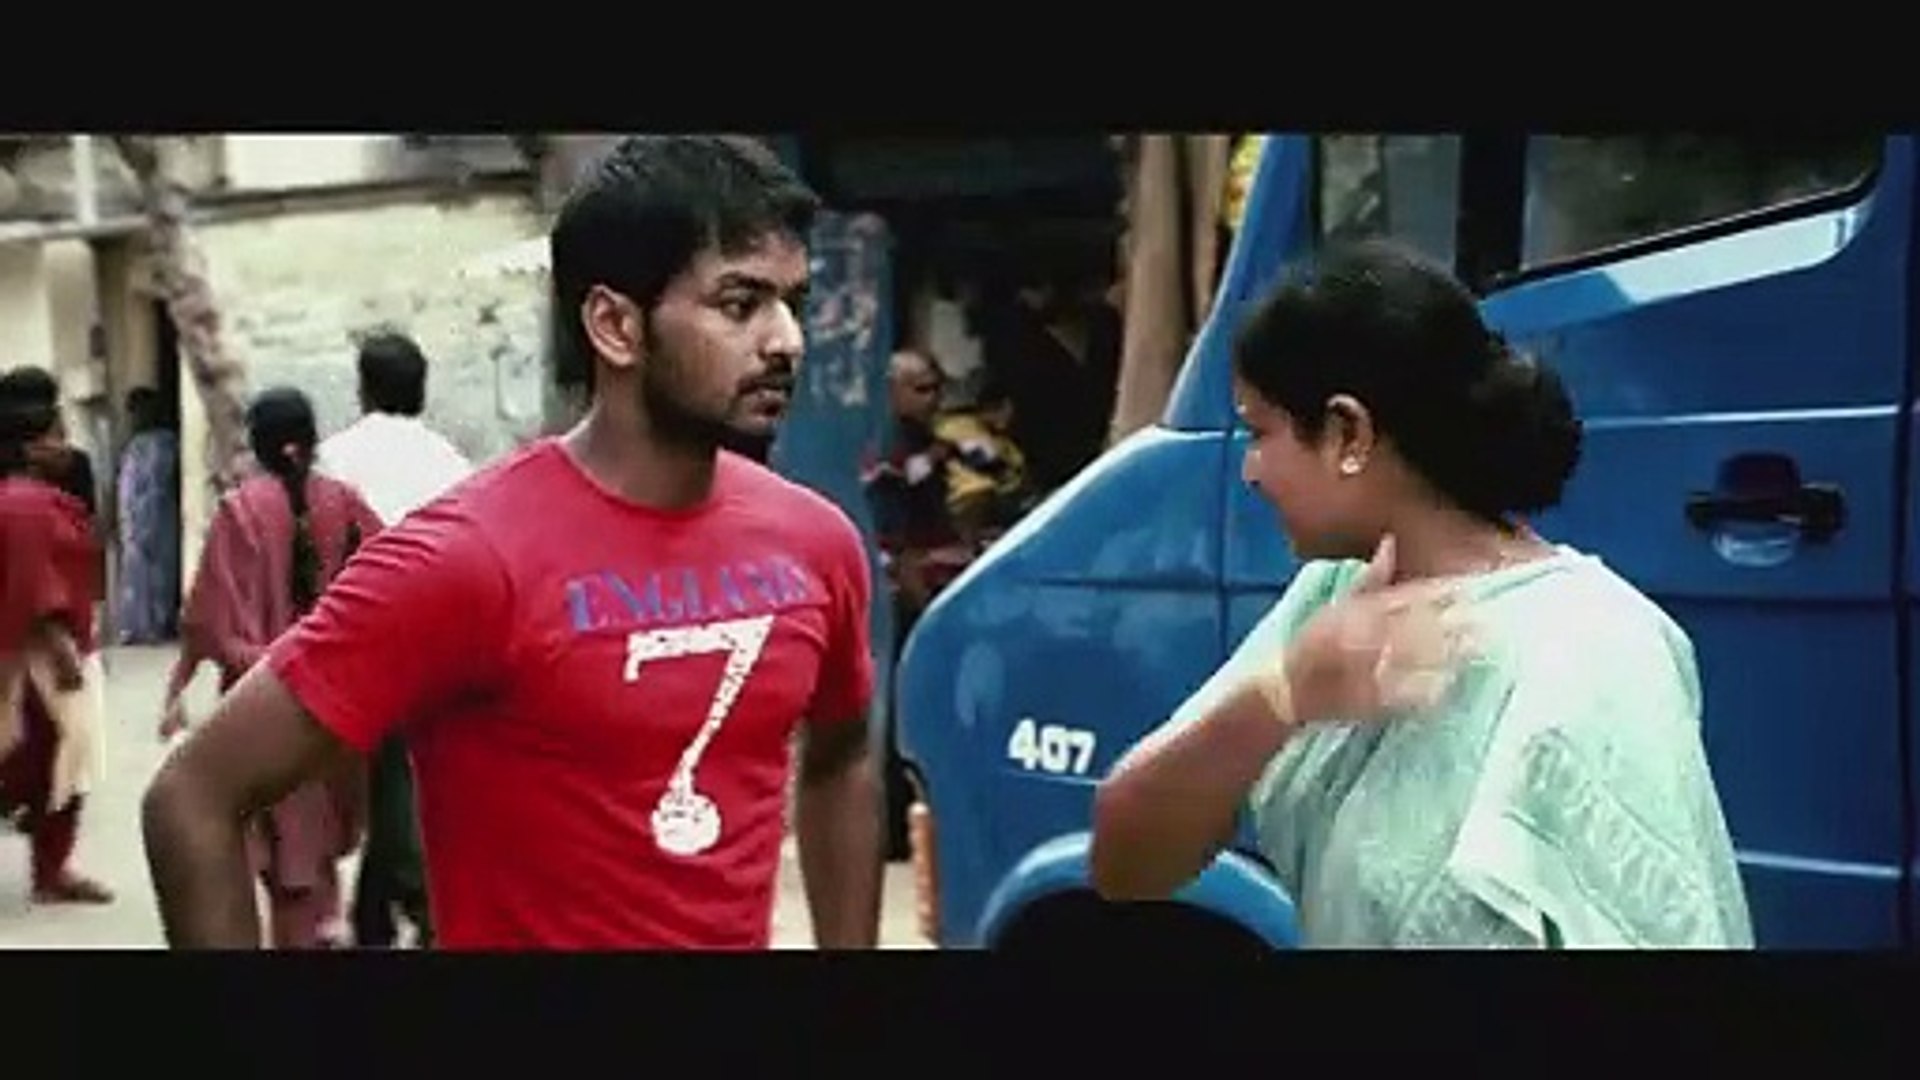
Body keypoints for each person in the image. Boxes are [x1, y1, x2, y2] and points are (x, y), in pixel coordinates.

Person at [142, 135, 884, 951]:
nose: (786, 340)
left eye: (793, 303)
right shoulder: (469, 559)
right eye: (741, 304)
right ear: (615, 326)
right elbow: (193, 797)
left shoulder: (816, 544)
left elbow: (842, 758)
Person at [1089, 240, 1753, 948]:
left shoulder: (1596, 648)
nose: (1250, 471)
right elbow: (1124, 864)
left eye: (1260, 432)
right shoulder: (1336, 595)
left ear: (1348, 432)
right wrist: (1279, 698)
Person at [158, 387, 381, 948]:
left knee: (263, 856)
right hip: (335, 706)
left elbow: (208, 620)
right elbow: (388, 585)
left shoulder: (240, 510)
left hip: (262, 705)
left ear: (257, 444)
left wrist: (180, 684)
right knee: (314, 860)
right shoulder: (346, 503)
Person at [316, 330, 473, 949]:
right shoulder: (449, 459)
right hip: (447, 626)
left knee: (389, 772)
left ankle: (422, 903)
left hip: (369, 624)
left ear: (363, 388)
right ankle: (374, 917)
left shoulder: (337, 458)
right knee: (405, 770)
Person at [0, 368, 113, 905]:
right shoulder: (26, 504)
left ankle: (51, 867)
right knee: (61, 756)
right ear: (29, 446)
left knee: (46, 757)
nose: (65, 446)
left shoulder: (34, 494)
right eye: (56, 436)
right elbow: (31, 582)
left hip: (39, 641)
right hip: (41, 650)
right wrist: (60, 643)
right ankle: (52, 868)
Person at [115, 386, 182, 645]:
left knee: (160, 571)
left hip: (158, 513)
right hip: (136, 516)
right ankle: (139, 626)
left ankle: (157, 624)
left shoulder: (165, 442)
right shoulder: (136, 445)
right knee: (138, 571)